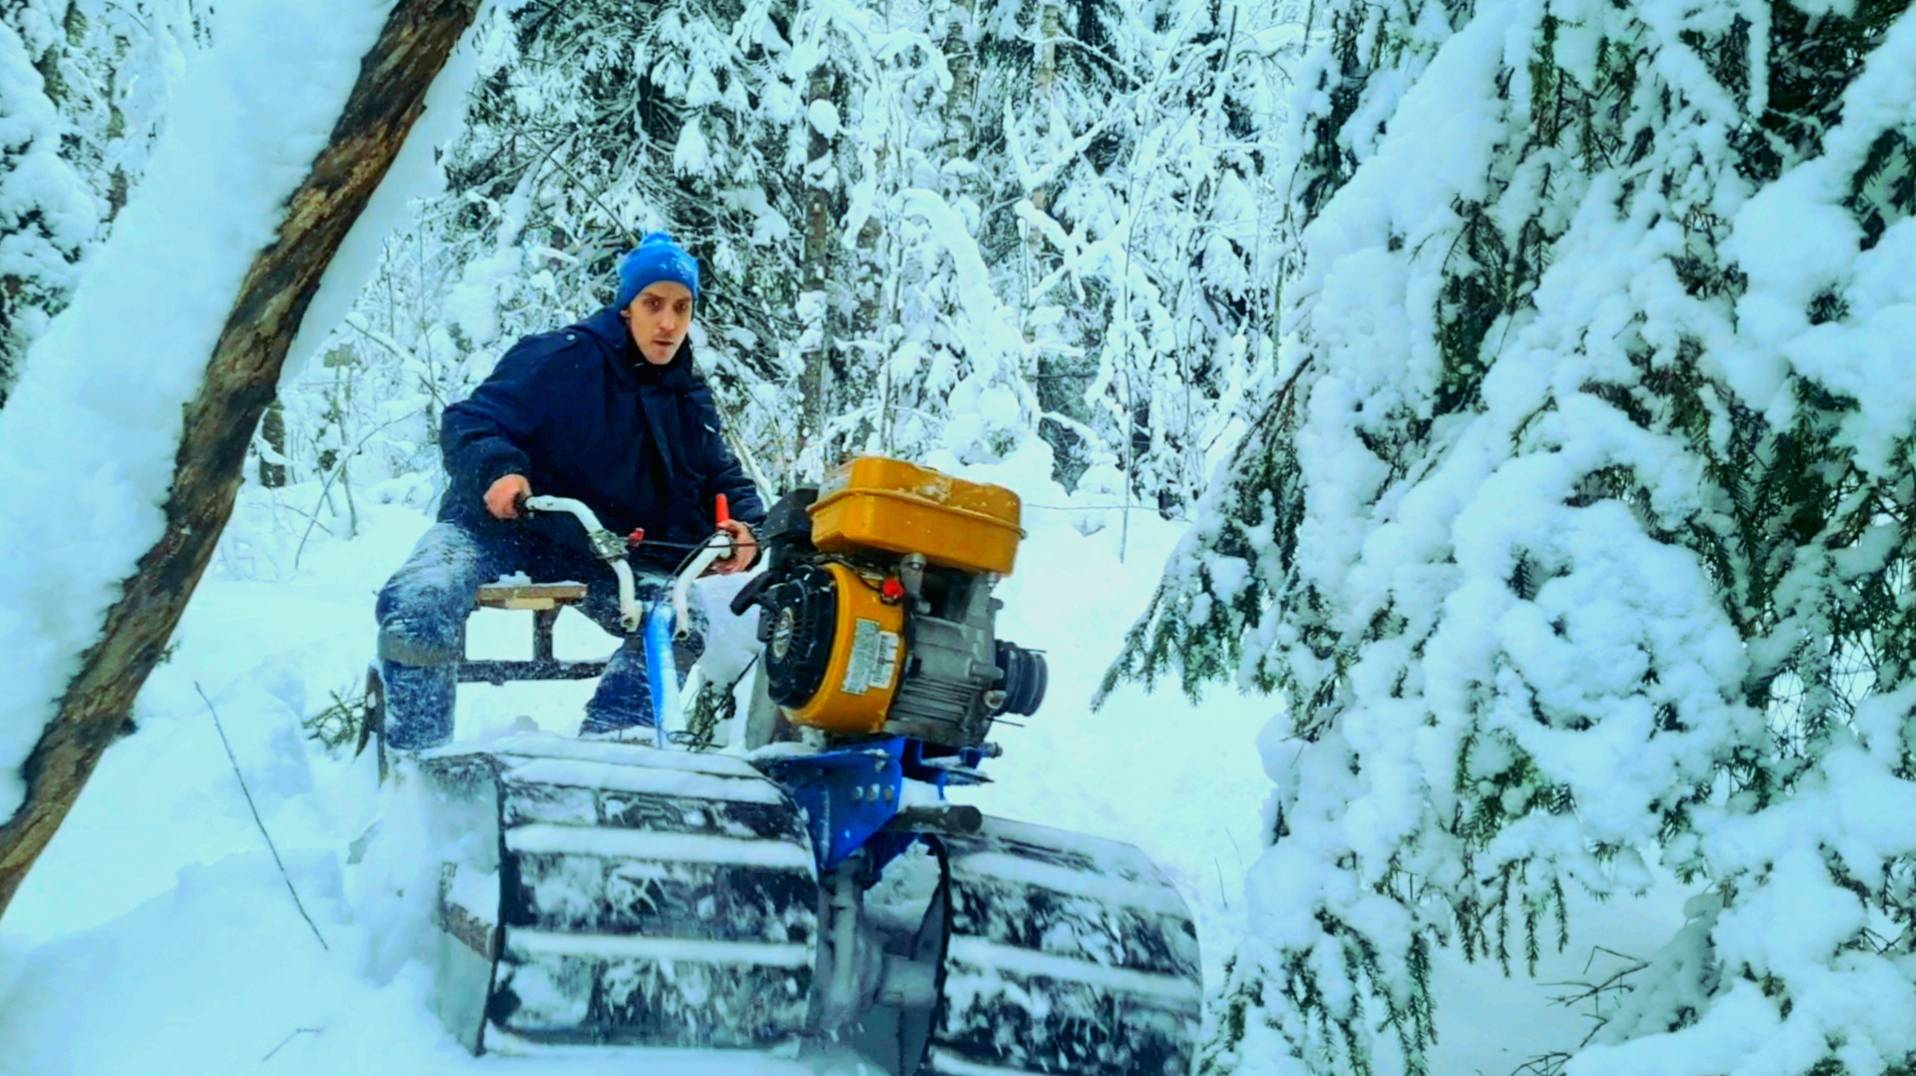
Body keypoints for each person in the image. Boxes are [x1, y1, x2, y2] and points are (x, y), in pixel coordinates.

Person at [374, 232, 764, 752]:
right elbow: (469, 421)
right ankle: (415, 765)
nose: (668, 322)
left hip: (596, 549)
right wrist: (500, 473)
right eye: (653, 304)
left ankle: (611, 753)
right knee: (420, 600)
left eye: (682, 307)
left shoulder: (686, 397)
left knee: (678, 622)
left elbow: (722, 476)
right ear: (627, 308)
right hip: (501, 528)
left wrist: (745, 528)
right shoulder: (561, 359)